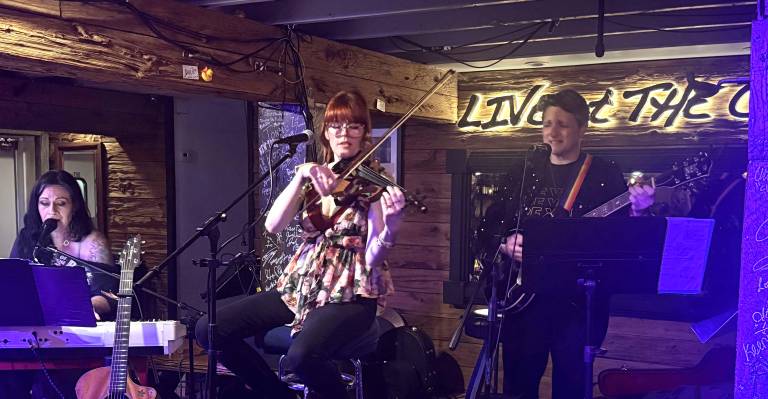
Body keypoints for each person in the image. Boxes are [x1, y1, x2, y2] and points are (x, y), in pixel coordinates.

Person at [195, 90, 404, 399]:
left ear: (364, 132)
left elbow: (373, 257)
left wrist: (392, 228)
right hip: (300, 286)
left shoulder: (375, 182)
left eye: (353, 126)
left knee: (301, 357)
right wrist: (299, 176)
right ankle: (278, 394)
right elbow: (273, 225)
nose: (344, 133)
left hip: (350, 295)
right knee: (208, 329)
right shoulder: (315, 177)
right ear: (326, 133)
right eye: (336, 126)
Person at [476, 89, 655, 399]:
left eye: (562, 124)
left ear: (582, 128)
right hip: (523, 303)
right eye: (547, 123)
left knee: (571, 387)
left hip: (577, 307)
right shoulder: (525, 170)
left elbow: (622, 238)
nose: (552, 132)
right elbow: (488, 227)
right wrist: (505, 244)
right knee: (518, 387)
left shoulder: (603, 173)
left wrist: (639, 210)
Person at [2, 169, 117, 399]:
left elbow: (110, 294)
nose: (51, 211)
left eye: (60, 203)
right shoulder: (29, 239)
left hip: (76, 337)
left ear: (74, 206)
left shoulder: (92, 243)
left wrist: (88, 307)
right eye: (44, 203)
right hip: (30, 335)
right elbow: (13, 285)